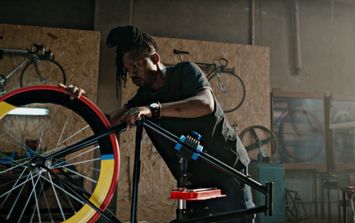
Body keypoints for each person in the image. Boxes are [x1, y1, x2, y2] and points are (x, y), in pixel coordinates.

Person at [63, 25, 254, 223]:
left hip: (227, 169)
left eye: (136, 65)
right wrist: (80, 101)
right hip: (194, 179)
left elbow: (206, 104)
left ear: (154, 59)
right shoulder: (143, 97)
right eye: (128, 70)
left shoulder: (185, 72)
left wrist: (153, 109)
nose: (133, 74)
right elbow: (109, 121)